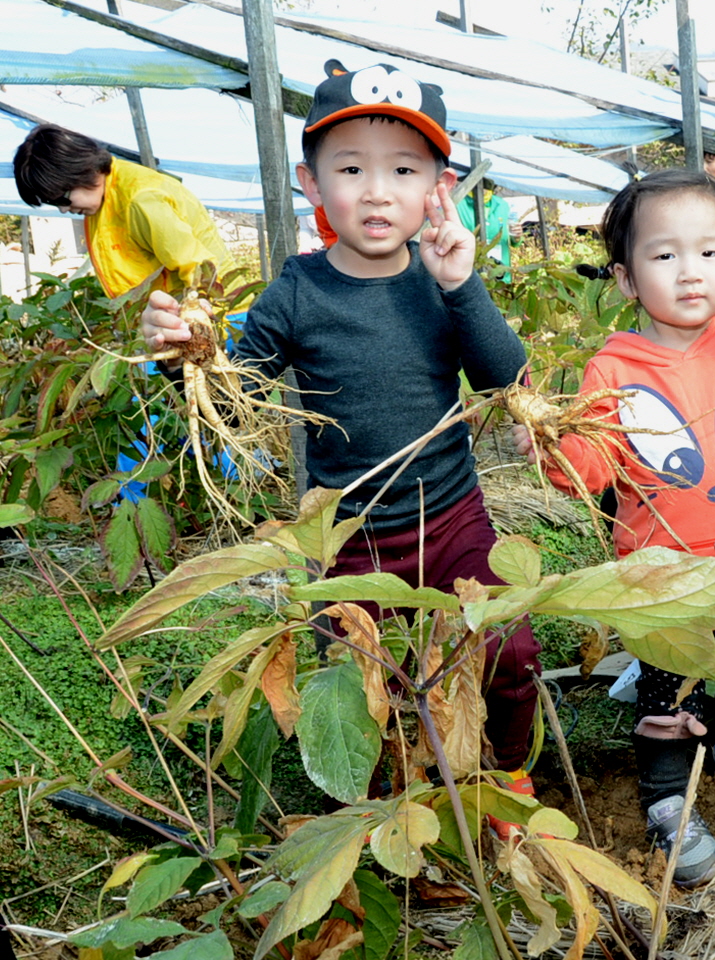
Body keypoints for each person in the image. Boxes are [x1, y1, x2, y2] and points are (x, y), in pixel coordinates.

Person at [138, 60, 543, 817]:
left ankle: (506, 774)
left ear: (439, 187)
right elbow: (237, 396)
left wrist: (463, 286)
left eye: (403, 170)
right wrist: (184, 356)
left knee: (505, 648)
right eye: (351, 169)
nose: (377, 191)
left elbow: (504, 379)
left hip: (452, 516)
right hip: (348, 537)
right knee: (367, 685)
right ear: (312, 184)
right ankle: (388, 803)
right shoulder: (296, 291)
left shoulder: (441, 279)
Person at [515, 168, 715, 885]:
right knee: (668, 693)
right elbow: (586, 473)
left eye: (709, 252)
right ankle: (666, 797)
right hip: (663, 581)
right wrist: (550, 442)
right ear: (627, 279)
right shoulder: (612, 370)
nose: (690, 271)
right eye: (664, 255)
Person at [13, 124, 233, 298]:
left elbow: (198, 267)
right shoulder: (105, 197)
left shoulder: (140, 199)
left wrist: (202, 318)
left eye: (62, 198)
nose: (63, 209)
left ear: (80, 171)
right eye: (53, 203)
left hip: (218, 312)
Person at [457, 178, 515, 280]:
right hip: (470, 269)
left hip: (500, 271)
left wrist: (516, 237)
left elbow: (511, 238)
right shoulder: (458, 204)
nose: (484, 188)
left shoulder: (503, 205)